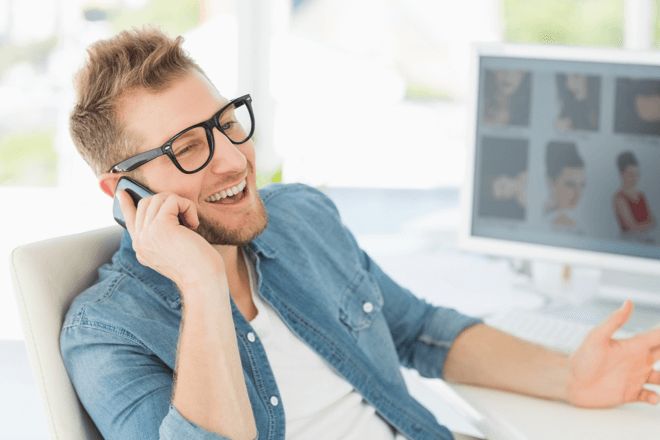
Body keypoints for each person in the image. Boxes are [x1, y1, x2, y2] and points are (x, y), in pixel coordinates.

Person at [61, 28, 660, 440]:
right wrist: (199, 281)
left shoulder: (299, 217)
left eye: (226, 124)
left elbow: (420, 331)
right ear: (123, 193)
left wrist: (570, 376)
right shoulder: (106, 333)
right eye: (188, 148)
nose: (232, 160)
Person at [544, 141, 586, 230]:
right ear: (550, 183)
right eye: (570, 185)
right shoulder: (564, 223)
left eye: (582, 185)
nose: (577, 193)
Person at [613, 151, 655, 237]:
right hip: (628, 241)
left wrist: (641, 227)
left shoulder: (641, 195)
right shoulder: (619, 198)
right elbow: (631, 227)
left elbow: (653, 222)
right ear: (622, 175)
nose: (635, 179)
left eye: (637, 174)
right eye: (631, 174)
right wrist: (645, 226)